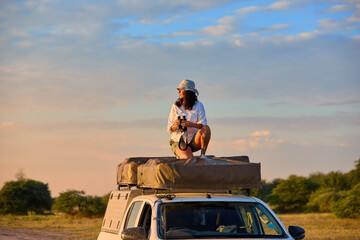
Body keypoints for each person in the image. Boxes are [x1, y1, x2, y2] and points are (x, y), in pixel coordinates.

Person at [167, 79, 211, 159]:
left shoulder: (199, 105)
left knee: (206, 128)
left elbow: (203, 124)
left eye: (181, 90)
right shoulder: (175, 106)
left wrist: (190, 124)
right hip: (178, 140)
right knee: (188, 158)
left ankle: (203, 155)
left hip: (193, 140)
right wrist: (176, 125)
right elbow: (169, 128)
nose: (178, 92)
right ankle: (182, 153)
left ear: (188, 92)